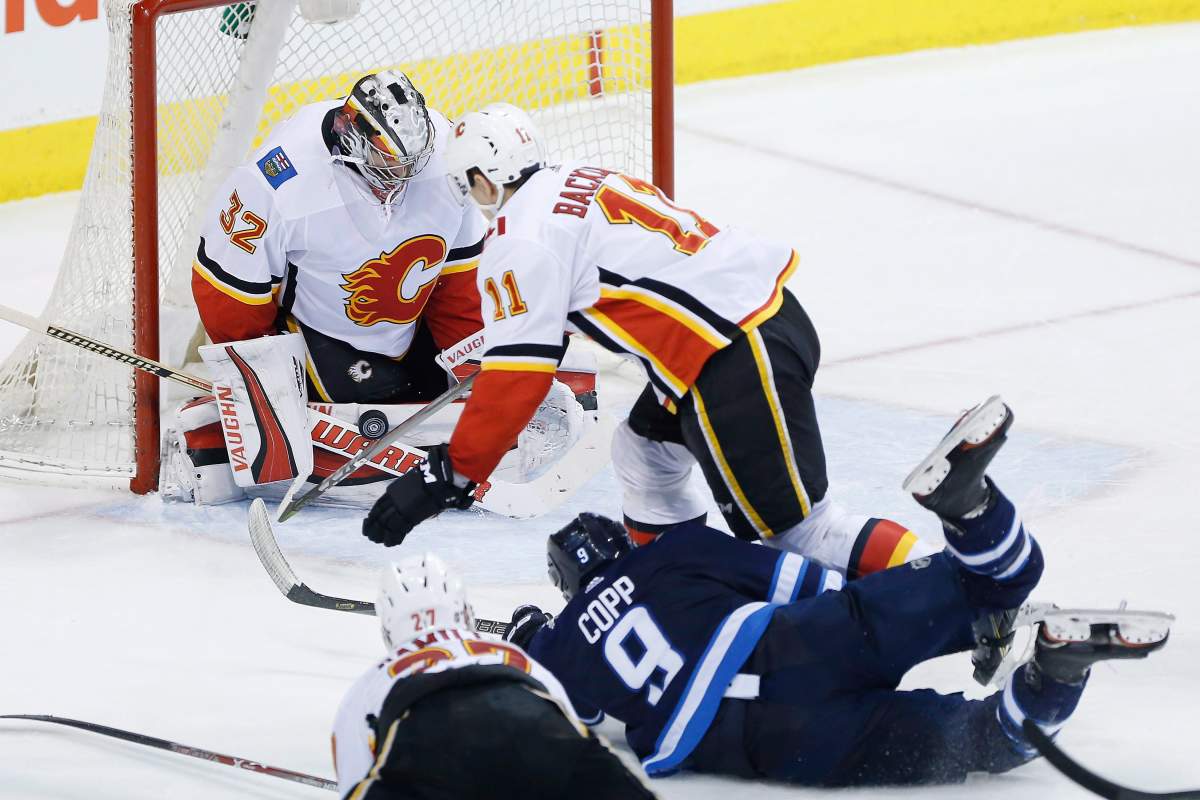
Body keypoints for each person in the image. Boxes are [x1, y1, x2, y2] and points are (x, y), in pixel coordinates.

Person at [361, 101, 943, 610]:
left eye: (469, 181)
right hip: (759, 324)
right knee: (643, 452)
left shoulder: (520, 237)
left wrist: (447, 477)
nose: (471, 196)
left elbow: (519, 378)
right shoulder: (583, 178)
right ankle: (671, 596)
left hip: (730, 357)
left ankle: (965, 592)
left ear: (487, 179)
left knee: (805, 532)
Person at [499, 400, 1171, 785]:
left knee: (980, 741)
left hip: (762, 742)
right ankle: (966, 507)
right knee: (1002, 578)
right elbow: (806, 583)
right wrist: (919, 610)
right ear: (621, 543)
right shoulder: (672, 550)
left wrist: (525, 638)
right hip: (795, 645)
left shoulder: (564, 644)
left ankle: (1059, 666)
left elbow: (568, 709)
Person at [166, 71, 490, 504]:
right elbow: (227, 295)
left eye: (412, 162)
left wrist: (478, 372)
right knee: (364, 418)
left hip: (411, 326)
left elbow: (459, 277)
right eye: (391, 163)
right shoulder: (279, 179)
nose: (405, 175)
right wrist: (265, 393)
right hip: (321, 340)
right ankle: (211, 432)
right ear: (353, 140)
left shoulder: (445, 158)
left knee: (451, 407)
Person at [332, 552, 657, 799]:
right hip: (543, 736)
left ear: (388, 628)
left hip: (426, 748)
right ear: (465, 612)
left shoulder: (370, 684)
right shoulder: (511, 654)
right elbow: (566, 717)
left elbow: (354, 780)